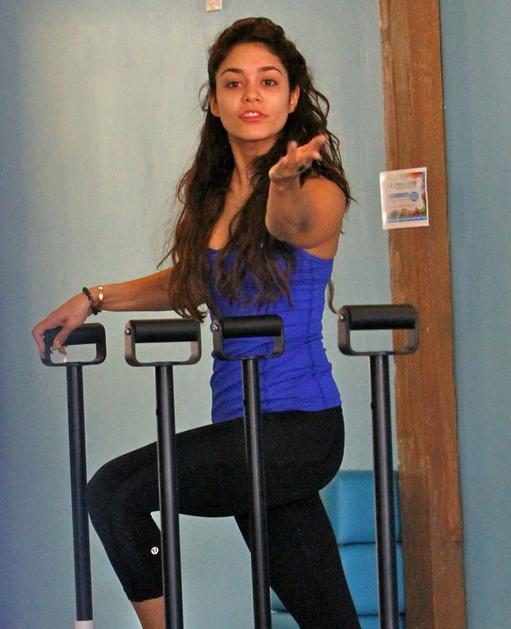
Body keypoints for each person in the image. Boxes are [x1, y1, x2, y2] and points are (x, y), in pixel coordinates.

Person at [32, 17, 360, 629]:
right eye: (234, 83)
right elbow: (195, 282)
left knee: (114, 492)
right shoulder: (214, 194)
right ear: (214, 101)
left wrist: (283, 183)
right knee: (327, 616)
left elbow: (288, 224)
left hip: (296, 427)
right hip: (241, 425)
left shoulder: (315, 190)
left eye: (268, 81)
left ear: (293, 98)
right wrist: (94, 298)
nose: (251, 95)